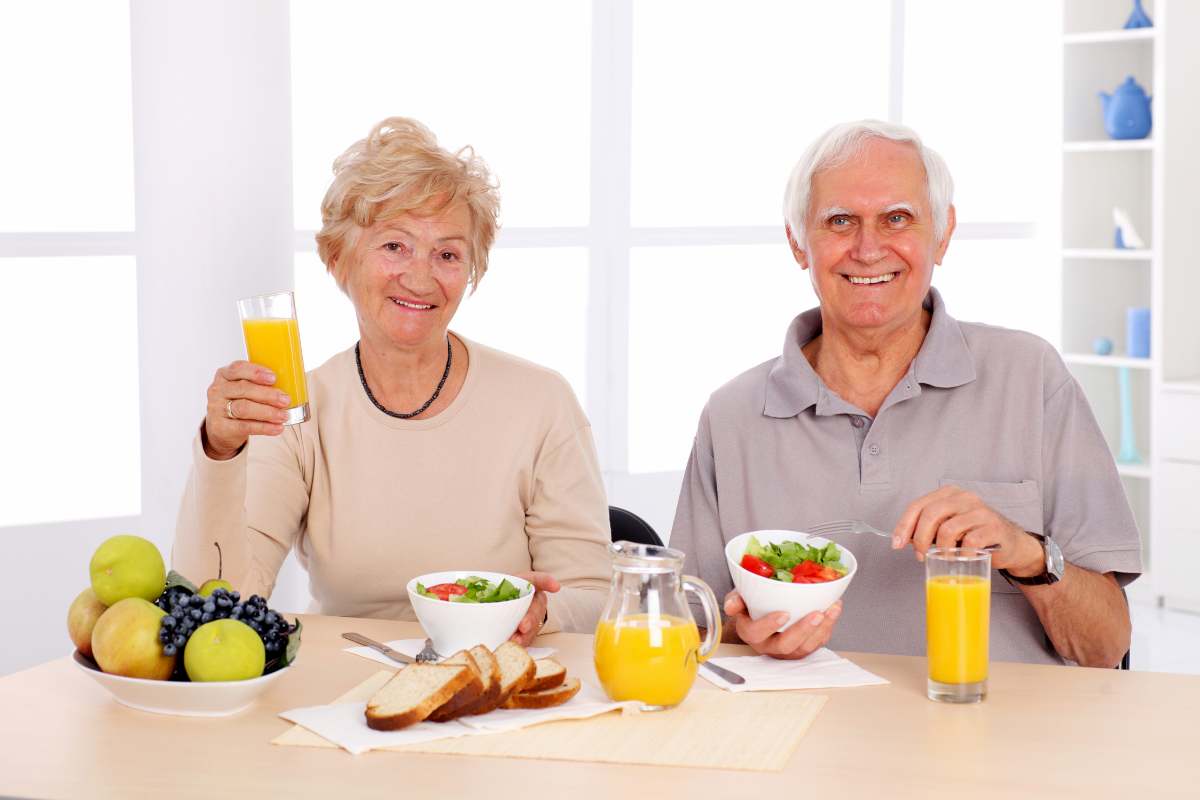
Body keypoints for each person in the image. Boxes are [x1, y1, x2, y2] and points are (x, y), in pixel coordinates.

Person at [670, 120, 1140, 667]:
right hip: (805, 740)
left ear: (942, 234)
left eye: (897, 219)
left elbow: (1107, 646)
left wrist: (1027, 553)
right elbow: (687, 638)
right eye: (840, 221)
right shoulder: (732, 416)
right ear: (798, 242)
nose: (868, 249)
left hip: (1001, 740)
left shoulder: (1031, 376)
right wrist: (745, 636)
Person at [174, 117, 611, 643]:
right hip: (346, 694)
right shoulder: (295, 412)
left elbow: (593, 595)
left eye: (447, 254)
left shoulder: (541, 402)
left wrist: (543, 611)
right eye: (394, 247)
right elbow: (217, 605)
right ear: (338, 259)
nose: (421, 276)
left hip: (500, 683)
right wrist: (221, 451)